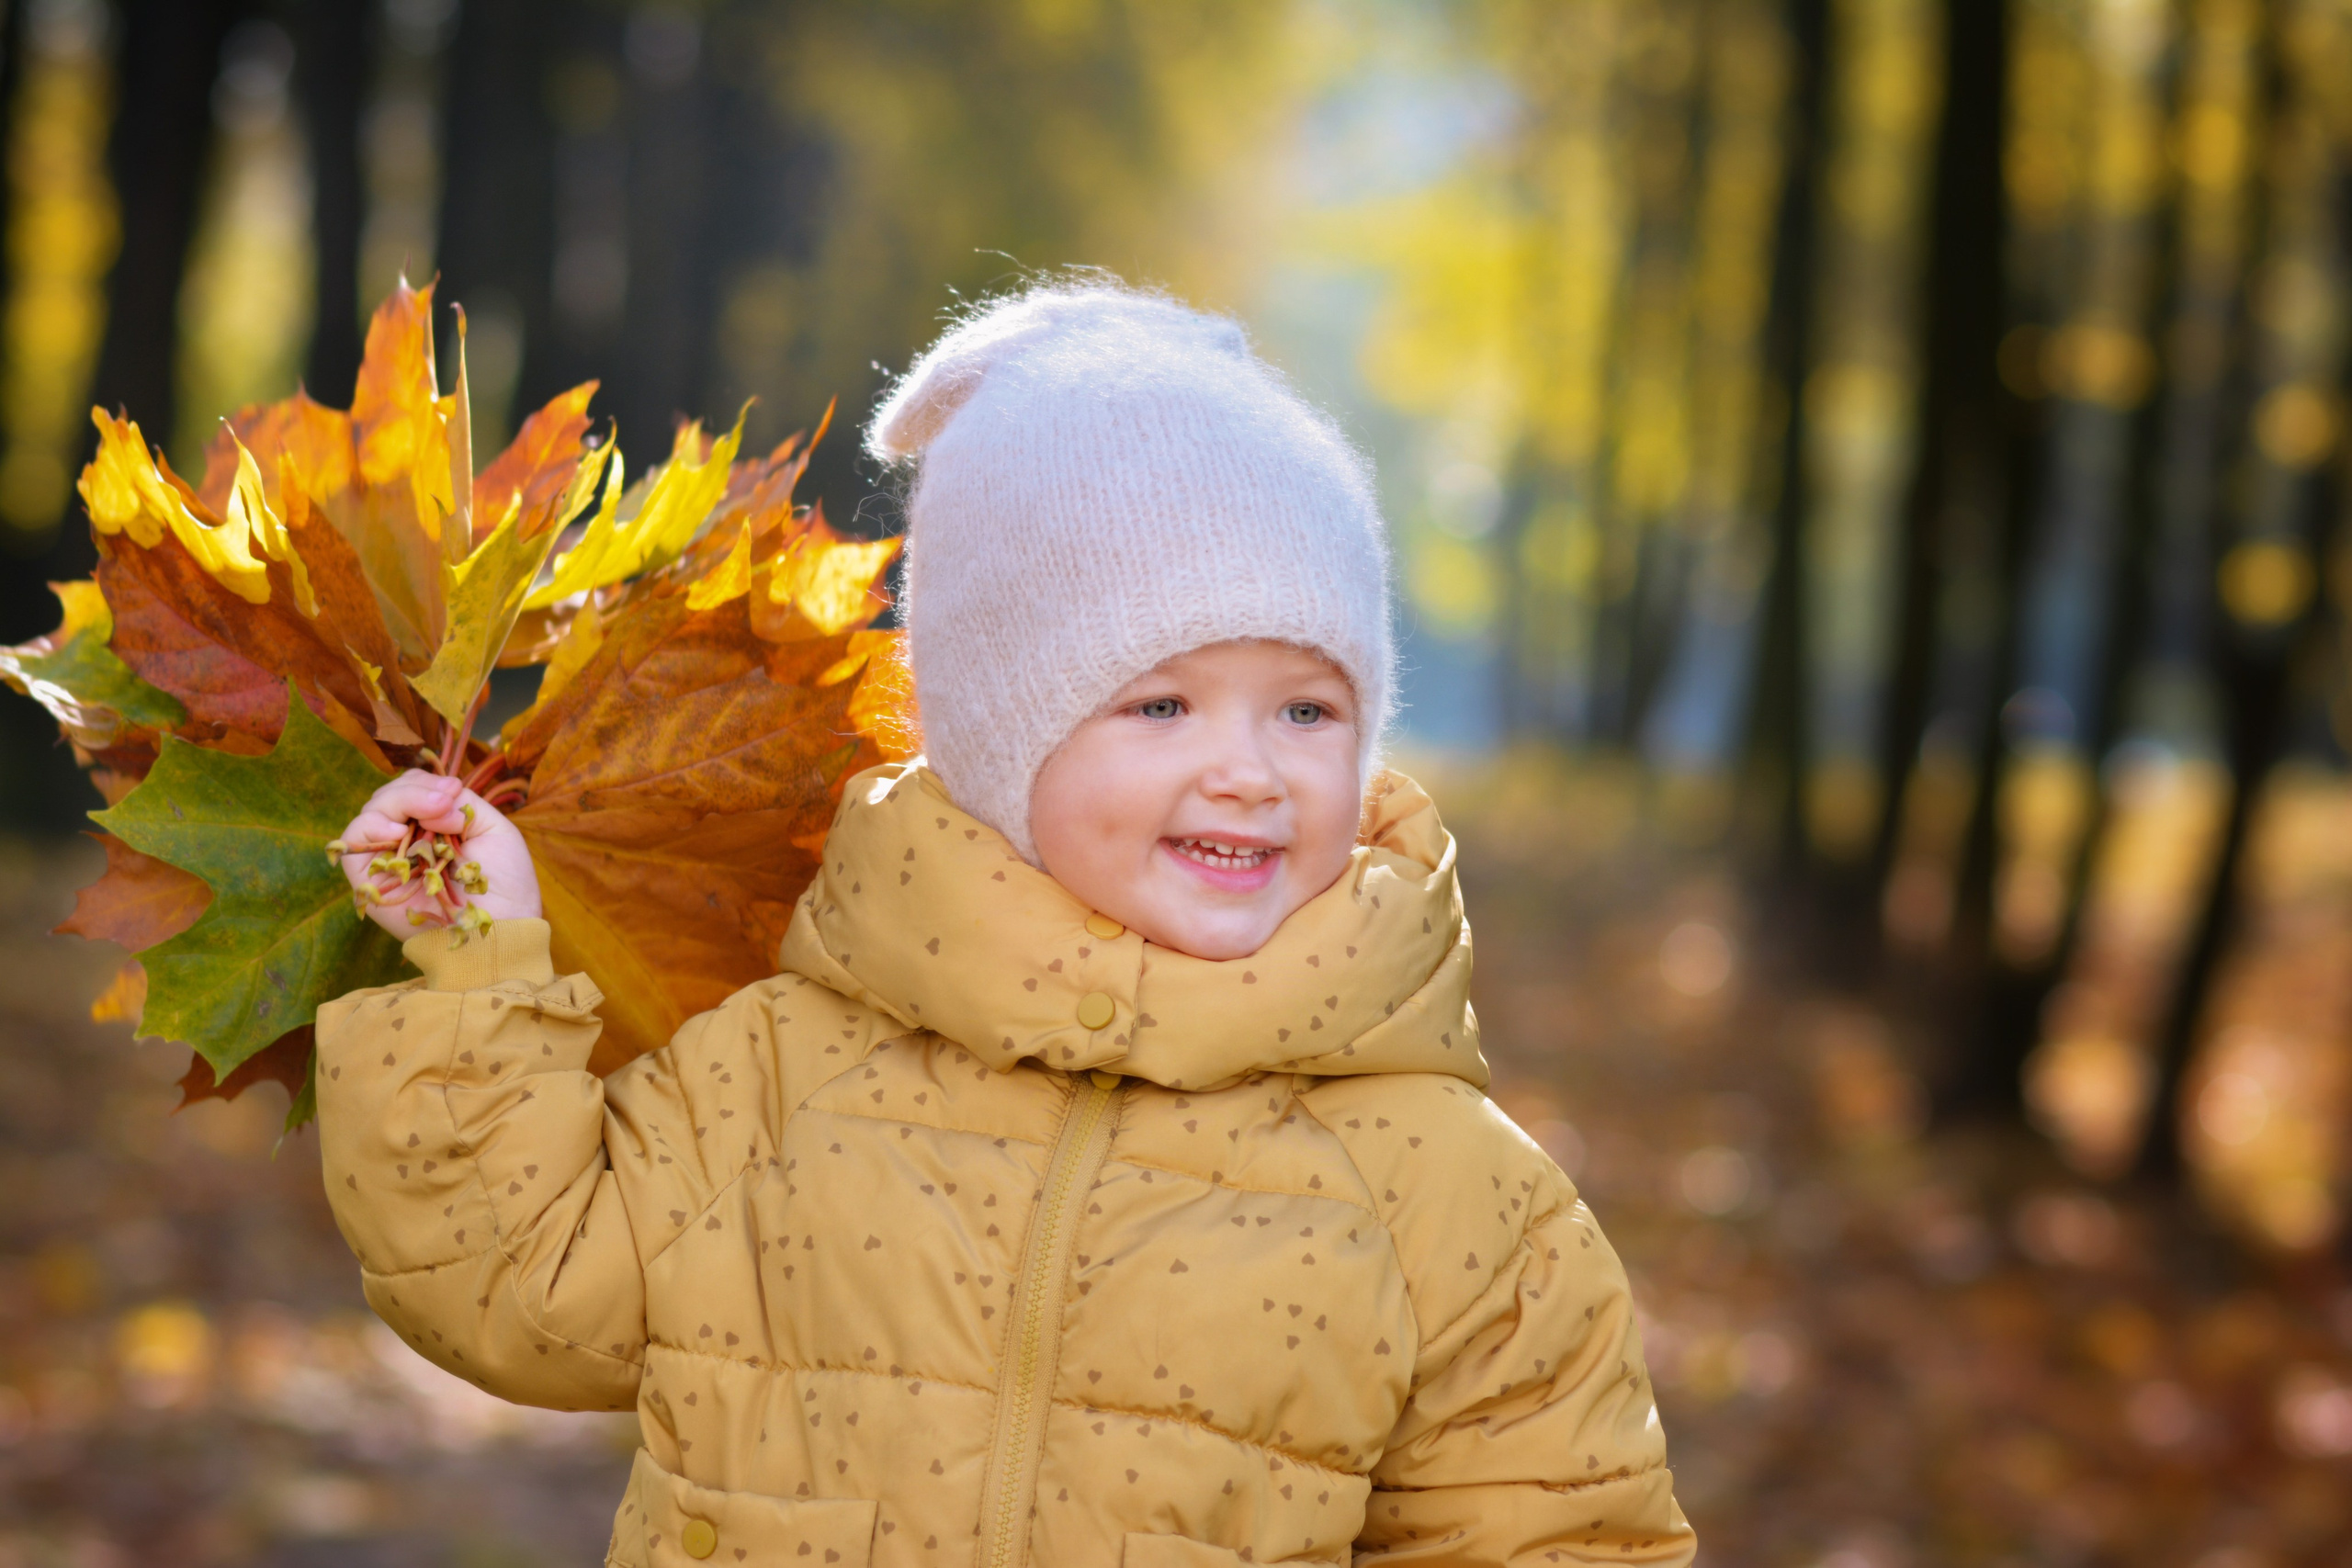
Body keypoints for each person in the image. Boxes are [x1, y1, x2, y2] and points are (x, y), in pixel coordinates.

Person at [316, 283, 1695, 1568]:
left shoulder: (1446, 1192)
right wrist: (475, 968)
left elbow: (1557, 1533)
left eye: (1308, 708)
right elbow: (521, 1286)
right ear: (993, 740)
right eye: (1160, 706)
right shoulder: (787, 1076)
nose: (1249, 769)